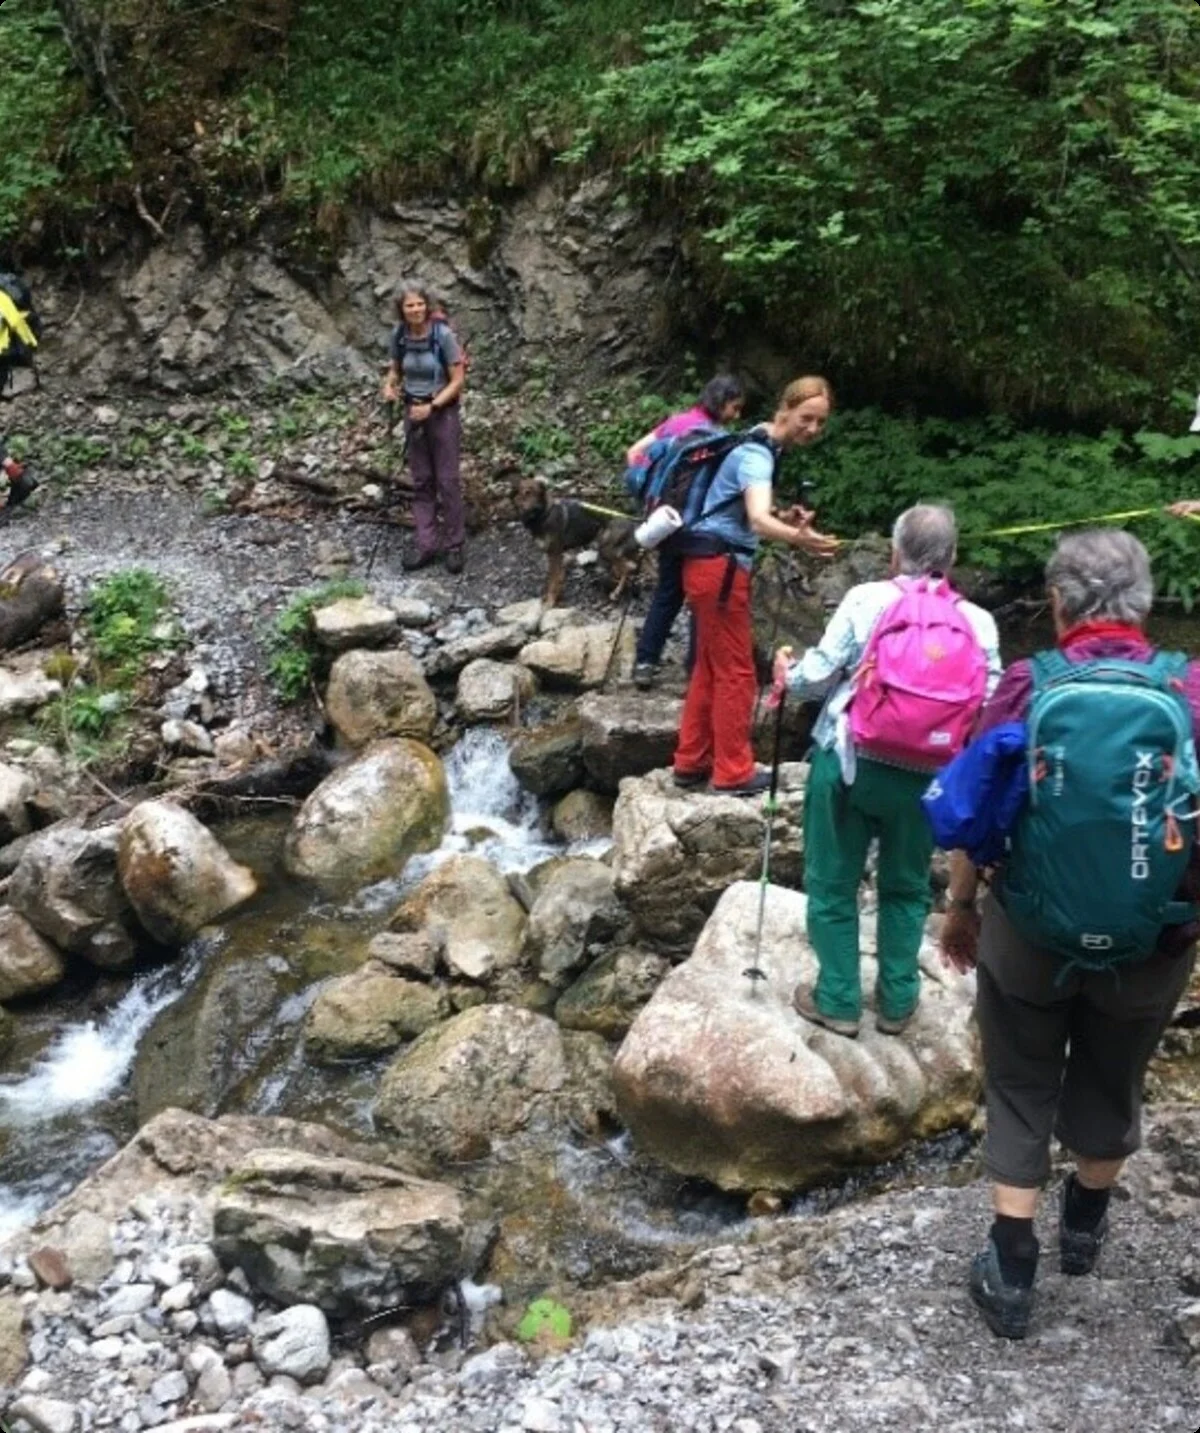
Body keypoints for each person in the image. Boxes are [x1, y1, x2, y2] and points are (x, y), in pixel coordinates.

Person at [940, 528, 1200, 1341]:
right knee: (1113, 1072)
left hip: (1030, 930)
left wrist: (960, 908)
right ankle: (1083, 1228)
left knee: (1020, 1079)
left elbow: (974, 814)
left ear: (1057, 603)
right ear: (1146, 604)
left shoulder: (1025, 685)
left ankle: (1012, 1268)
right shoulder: (1190, 692)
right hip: (1155, 938)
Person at [776, 504, 1001, 1038]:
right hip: (928, 777)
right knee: (906, 887)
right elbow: (988, 706)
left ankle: (838, 1000)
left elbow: (815, 677)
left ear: (894, 552)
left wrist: (786, 673)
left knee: (833, 882)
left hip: (853, 763)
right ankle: (897, 1002)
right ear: (952, 557)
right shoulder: (978, 622)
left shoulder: (867, 599)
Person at [671, 375, 840, 797]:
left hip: (705, 563)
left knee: (711, 667)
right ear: (785, 408)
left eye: (820, 423)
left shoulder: (759, 441)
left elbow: (748, 512)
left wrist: (786, 519)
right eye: (807, 418)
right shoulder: (757, 455)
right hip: (722, 568)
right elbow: (758, 520)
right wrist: (799, 537)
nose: (813, 430)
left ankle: (691, 762)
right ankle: (732, 771)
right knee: (737, 672)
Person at [628, 376, 746, 689]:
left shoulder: (676, 424)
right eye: (734, 407)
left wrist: (652, 503)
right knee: (700, 600)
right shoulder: (721, 440)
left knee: (667, 593)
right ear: (722, 402)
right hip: (700, 531)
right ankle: (695, 671)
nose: (736, 415)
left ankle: (645, 661)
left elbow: (634, 455)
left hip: (666, 525)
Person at [382, 282, 467, 573]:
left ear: (427, 306)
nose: (416, 310)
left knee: (448, 481)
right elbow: (395, 368)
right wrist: (389, 385)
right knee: (421, 481)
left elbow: (457, 379)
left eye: (419, 304)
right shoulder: (400, 335)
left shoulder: (442, 335)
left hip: (441, 412)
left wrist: (432, 406)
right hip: (412, 410)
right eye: (410, 306)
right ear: (401, 310)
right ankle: (427, 544)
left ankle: (455, 546)